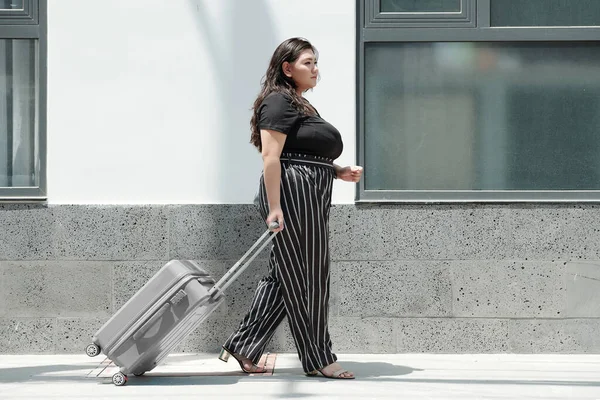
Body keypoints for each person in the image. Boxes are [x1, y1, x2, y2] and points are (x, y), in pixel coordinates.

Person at [218, 37, 363, 380]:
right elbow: (271, 157)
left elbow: (305, 151)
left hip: (307, 190)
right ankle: (318, 358)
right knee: (310, 276)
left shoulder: (296, 103)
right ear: (287, 68)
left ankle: (245, 345)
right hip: (293, 193)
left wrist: (337, 171)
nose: (316, 70)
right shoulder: (279, 101)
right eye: (308, 63)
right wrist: (274, 207)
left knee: (286, 276)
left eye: (315, 63)